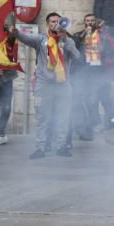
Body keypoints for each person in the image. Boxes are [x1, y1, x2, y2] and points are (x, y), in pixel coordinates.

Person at [16, 12, 80, 159]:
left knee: (63, 117)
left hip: (63, 84)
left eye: (58, 21)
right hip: (43, 84)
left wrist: (67, 41)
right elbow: (25, 38)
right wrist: (15, 33)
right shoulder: (41, 39)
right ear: (47, 24)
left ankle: (61, 146)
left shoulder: (67, 40)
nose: (55, 24)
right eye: (52, 22)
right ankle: (41, 147)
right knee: (42, 117)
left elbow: (77, 56)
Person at [73, 14, 114, 139]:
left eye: (92, 20)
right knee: (90, 99)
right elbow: (74, 47)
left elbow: (112, 52)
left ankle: (110, 123)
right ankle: (95, 123)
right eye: (87, 21)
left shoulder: (103, 35)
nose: (90, 23)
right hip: (86, 72)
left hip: (100, 71)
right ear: (84, 22)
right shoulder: (79, 35)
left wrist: (107, 64)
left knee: (105, 98)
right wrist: (83, 35)